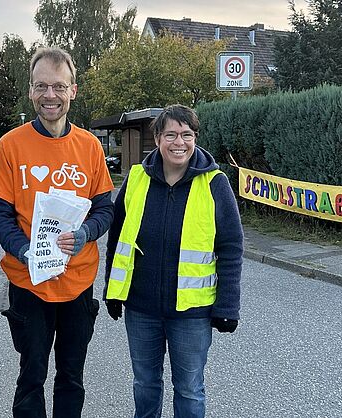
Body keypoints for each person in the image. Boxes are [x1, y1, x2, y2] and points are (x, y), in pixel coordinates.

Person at [0, 46, 114, 418]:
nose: (50, 96)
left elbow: (104, 208)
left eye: (59, 87)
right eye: (41, 87)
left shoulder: (89, 146)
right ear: (30, 91)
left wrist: (86, 233)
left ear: (73, 90)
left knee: (71, 376)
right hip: (29, 283)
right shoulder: (11, 145)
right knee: (31, 375)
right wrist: (25, 250)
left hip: (77, 282)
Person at [104, 104, 243, 418]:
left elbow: (231, 248)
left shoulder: (214, 183)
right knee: (145, 384)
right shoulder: (137, 178)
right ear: (157, 138)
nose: (179, 142)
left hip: (192, 313)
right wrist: (112, 290)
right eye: (171, 134)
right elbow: (117, 237)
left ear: (195, 138)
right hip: (141, 309)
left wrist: (227, 306)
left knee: (190, 390)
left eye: (187, 135)